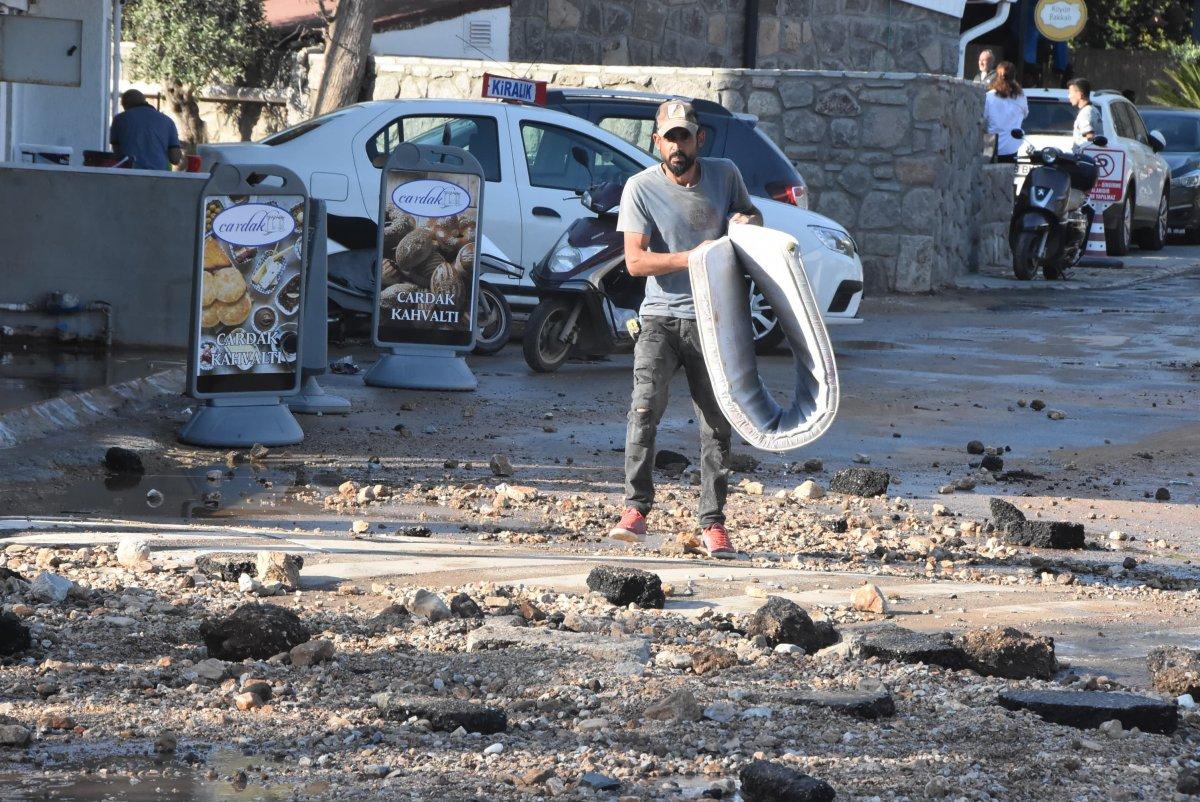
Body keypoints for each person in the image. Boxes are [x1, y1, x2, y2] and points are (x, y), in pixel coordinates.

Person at [607, 100, 762, 559]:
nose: (678, 145)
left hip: (715, 320)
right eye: (669, 137)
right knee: (643, 410)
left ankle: (714, 525)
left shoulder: (725, 174)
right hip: (659, 316)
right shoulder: (640, 187)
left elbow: (752, 217)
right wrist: (694, 257)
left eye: (685, 136)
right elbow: (635, 261)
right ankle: (635, 510)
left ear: (700, 139)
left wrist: (746, 221)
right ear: (657, 141)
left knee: (717, 423)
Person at [109, 89, 183, 171]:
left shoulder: (119, 119)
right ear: (145, 101)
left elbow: (117, 154)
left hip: (128, 175)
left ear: (125, 105)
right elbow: (175, 158)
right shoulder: (167, 121)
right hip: (158, 176)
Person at [984, 62, 1028, 163]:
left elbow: (984, 117)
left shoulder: (989, 96)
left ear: (997, 76)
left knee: (986, 176)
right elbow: (1025, 114)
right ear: (1014, 76)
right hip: (1011, 145)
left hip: (990, 144)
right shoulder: (1021, 96)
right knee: (1009, 176)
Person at [1068, 78, 1102, 151]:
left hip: (1084, 157)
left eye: (1070, 93)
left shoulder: (1085, 113)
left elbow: (1090, 138)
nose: (1069, 96)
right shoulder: (1093, 109)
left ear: (1080, 95)